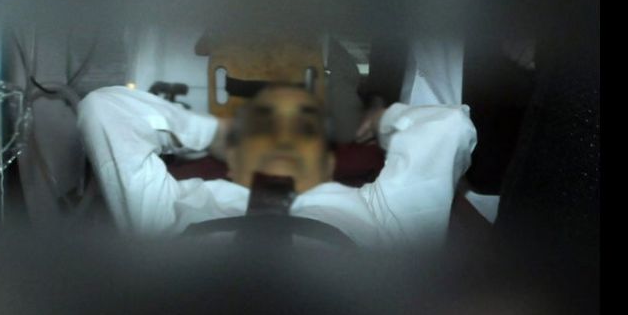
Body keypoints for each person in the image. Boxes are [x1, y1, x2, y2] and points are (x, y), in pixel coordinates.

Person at [77, 83, 476, 249]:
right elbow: (104, 109)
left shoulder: (382, 213)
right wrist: (211, 132)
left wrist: (381, 122)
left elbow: (446, 126)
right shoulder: (165, 207)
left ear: (327, 162)